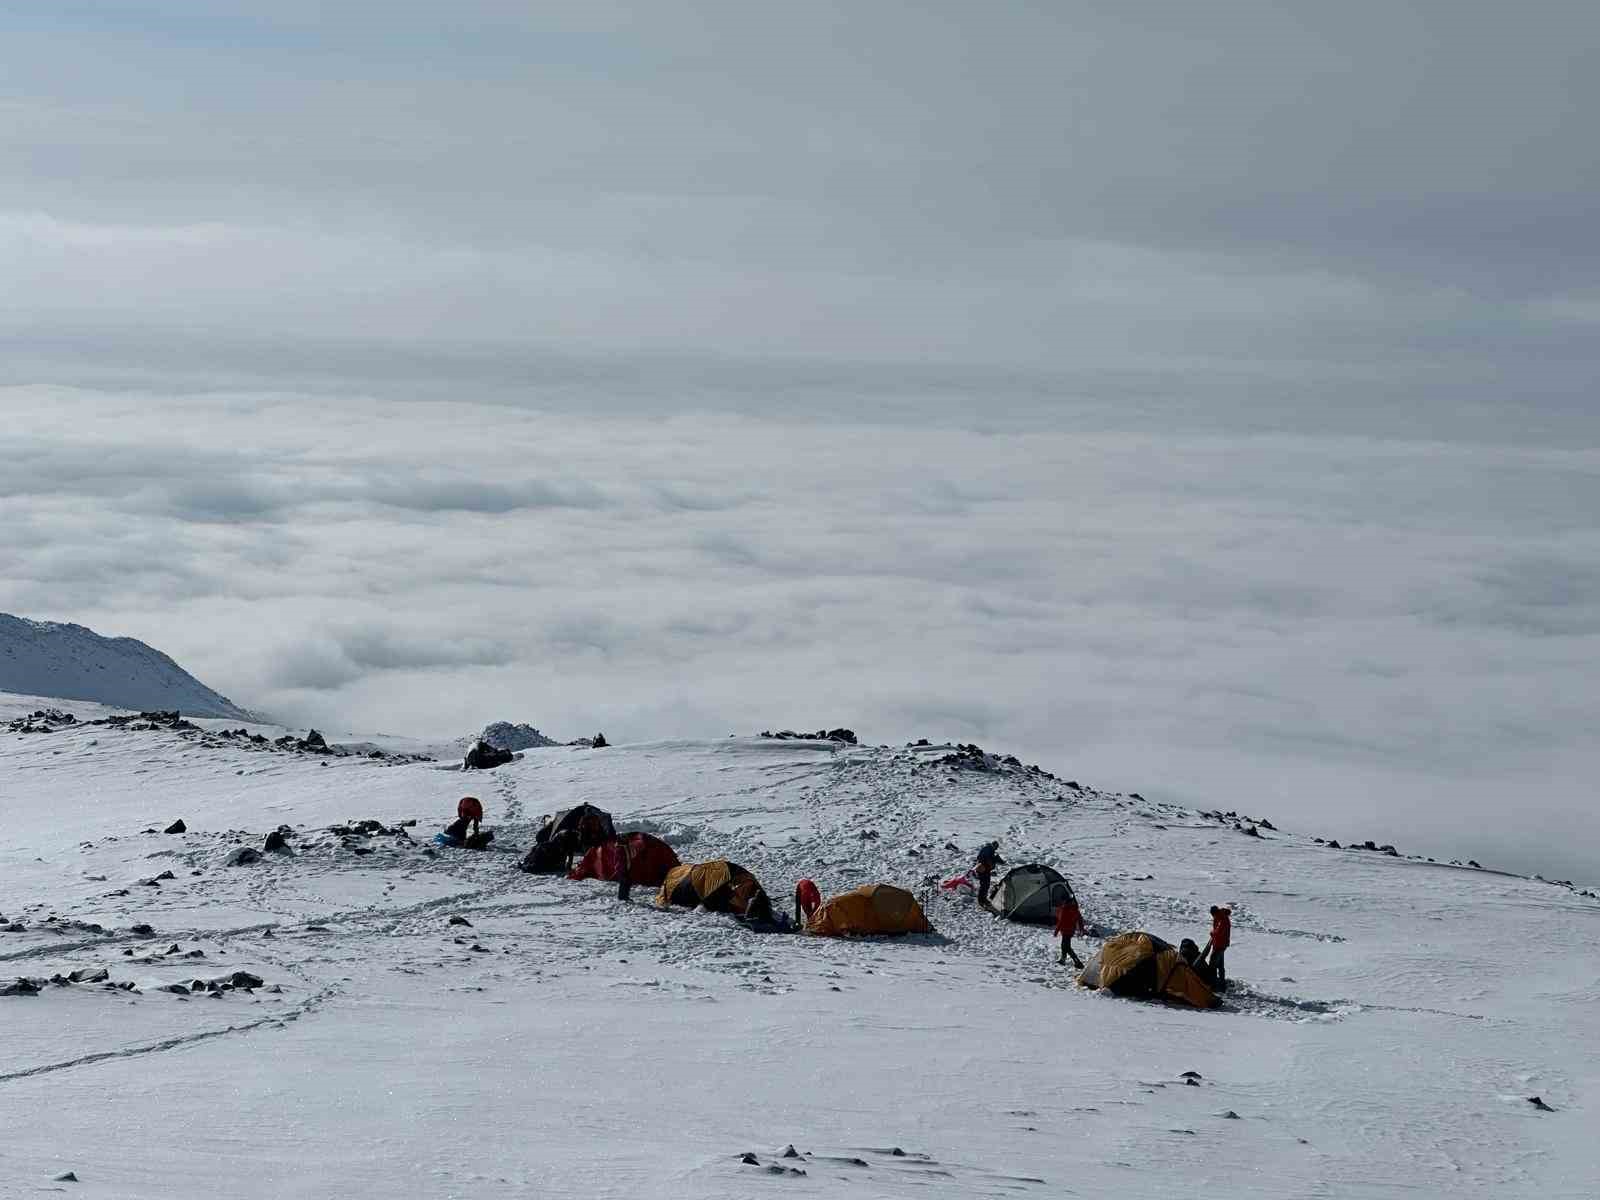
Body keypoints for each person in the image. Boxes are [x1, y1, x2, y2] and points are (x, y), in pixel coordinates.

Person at [1202, 905, 1231, 990]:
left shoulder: (1221, 918)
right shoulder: (1221, 916)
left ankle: (1213, 984)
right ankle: (1222, 983)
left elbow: (1219, 932)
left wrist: (1212, 933)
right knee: (1220, 964)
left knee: (1213, 964)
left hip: (1219, 945)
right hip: (1221, 944)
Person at [1054, 889, 1085, 968]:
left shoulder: (1064, 909)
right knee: (1064, 945)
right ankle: (1063, 959)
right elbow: (1080, 919)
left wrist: (1056, 931)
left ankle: (1077, 961)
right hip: (1071, 930)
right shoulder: (1074, 908)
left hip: (1065, 930)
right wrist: (1081, 928)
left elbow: (1061, 921)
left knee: (1067, 947)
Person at [973, 841, 1004, 911]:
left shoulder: (987, 849)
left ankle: (983, 899)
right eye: (996, 847)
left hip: (984, 870)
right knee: (984, 885)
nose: (996, 849)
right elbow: (987, 858)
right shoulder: (989, 849)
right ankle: (981, 901)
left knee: (985, 885)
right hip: (983, 870)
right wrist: (991, 863)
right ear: (994, 845)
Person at [616, 837, 633, 902]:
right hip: (622, 869)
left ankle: (625, 896)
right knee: (624, 883)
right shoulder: (620, 849)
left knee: (627, 883)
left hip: (626, 868)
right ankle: (622, 896)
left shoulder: (625, 848)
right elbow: (620, 861)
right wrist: (622, 869)